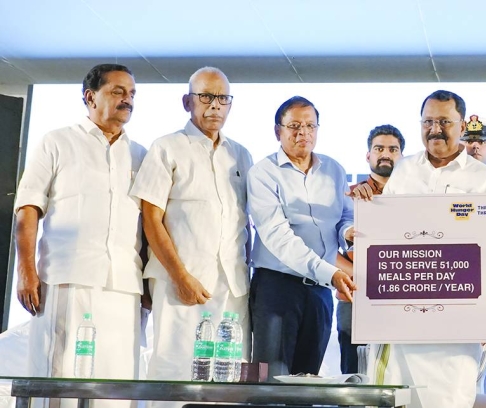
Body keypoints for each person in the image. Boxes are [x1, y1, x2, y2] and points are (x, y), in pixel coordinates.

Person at [15, 63, 145, 408]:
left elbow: (147, 226)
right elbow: (28, 208)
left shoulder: (140, 154)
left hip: (123, 287)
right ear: (90, 97)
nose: (127, 99)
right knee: (59, 382)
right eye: (117, 91)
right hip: (67, 280)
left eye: (132, 93)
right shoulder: (57, 142)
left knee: (117, 388)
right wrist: (26, 271)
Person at [365, 90, 486, 408]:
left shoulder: (482, 178)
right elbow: (385, 233)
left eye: (444, 122)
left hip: (457, 323)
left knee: (450, 399)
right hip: (402, 315)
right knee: (399, 399)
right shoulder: (404, 170)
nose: (435, 129)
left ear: (462, 125)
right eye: (428, 122)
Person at [130, 67, 253, 403]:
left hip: (233, 286)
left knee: (228, 383)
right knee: (175, 375)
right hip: (181, 285)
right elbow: (151, 219)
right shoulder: (166, 147)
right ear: (187, 102)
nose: (215, 105)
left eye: (223, 98)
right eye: (206, 97)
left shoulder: (240, 154)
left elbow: (245, 224)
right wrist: (180, 276)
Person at [246, 96, 356, 380]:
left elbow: (345, 216)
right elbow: (278, 236)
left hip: (320, 292)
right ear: (278, 131)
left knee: (308, 381)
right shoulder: (263, 173)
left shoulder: (334, 170)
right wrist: (330, 273)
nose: (303, 133)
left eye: (310, 126)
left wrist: (348, 232)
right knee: (271, 382)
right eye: (294, 126)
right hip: (278, 288)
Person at [338, 123, 405, 374]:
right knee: (355, 376)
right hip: (354, 298)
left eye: (393, 149)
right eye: (379, 148)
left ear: (402, 157)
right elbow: (326, 246)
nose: (385, 154)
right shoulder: (349, 195)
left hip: (401, 299)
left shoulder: (414, 197)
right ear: (368, 155)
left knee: (397, 376)